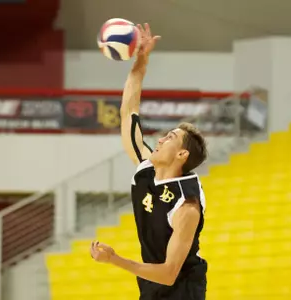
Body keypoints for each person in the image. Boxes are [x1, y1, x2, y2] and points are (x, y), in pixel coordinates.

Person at [89, 23, 208, 300]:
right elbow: (129, 111)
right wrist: (141, 59)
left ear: (182, 155)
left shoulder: (186, 206)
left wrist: (115, 259)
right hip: (151, 289)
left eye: (171, 137)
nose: (162, 139)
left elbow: (169, 274)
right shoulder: (146, 170)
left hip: (182, 291)